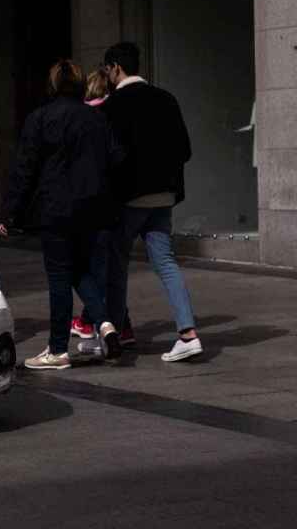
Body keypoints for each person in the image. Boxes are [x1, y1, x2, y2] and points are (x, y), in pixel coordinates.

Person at [0, 60, 123, 370]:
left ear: (53, 85)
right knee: (80, 270)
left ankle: (57, 349)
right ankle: (105, 323)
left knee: (59, 277)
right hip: (94, 208)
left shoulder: (40, 119)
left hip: (56, 209)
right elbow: (116, 159)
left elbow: (24, 169)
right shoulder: (97, 118)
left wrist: (9, 212)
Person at [101, 41, 202, 363]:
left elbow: (109, 157)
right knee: (166, 263)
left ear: (115, 67)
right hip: (164, 196)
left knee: (116, 264)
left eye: (107, 70)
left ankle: (118, 333)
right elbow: (185, 149)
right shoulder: (166, 99)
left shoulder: (112, 106)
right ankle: (188, 334)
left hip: (130, 199)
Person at [70, 68, 137, 349]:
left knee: (81, 267)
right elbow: (120, 158)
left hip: (83, 205)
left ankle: (95, 322)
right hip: (111, 203)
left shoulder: (79, 119)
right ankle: (117, 323)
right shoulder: (112, 116)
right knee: (107, 267)